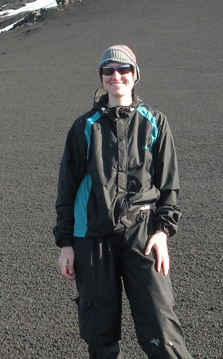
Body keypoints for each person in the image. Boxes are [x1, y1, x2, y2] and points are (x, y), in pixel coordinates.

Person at [55, 45, 193, 358]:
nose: (116, 76)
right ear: (101, 78)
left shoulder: (154, 121)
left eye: (124, 70)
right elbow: (67, 188)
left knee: (161, 324)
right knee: (99, 331)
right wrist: (66, 243)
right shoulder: (84, 127)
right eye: (109, 71)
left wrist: (163, 232)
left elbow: (168, 184)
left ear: (135, 75)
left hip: (142, 233)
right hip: (91, 236)